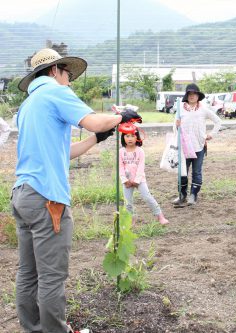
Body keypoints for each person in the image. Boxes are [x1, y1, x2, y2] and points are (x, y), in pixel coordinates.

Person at [11, 48, 138, 333]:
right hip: (47, 198)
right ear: (55, 71)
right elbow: (93, 119)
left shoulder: (28, 105)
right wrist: (121, 117)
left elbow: (61, 152)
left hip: (23, 194)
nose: (70, 79)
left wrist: (97, 138)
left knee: (28, 274)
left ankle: (33, 329)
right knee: (52, 277)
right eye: (68, 73)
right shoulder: (55, 91)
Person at [172, 83, 221, 206]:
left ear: (198, 95)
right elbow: (174, 128)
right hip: (184, 147)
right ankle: (182, 195)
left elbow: (218, 121)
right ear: (186, 95)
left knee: (197, 172)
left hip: (199, 146)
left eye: (194, 93)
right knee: (182, 172)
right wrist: (177, 126)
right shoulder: (180, 109)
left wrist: (211, 134)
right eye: (190, 93)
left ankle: (193, 195)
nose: (192, 96)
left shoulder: (203, 109)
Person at [119, 126, 169, 224]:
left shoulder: (140, 151)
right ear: (123, 137)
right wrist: (124, 180)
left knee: (147, 197)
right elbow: (120, 167)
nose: (130, 138)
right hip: (127, 182)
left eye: (132, 136)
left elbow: (141, 167)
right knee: (128, 202)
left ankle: (159, 215)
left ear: (137, 137)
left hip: (140, 180)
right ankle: (131, 219)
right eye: (127, 136)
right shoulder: (121, 152)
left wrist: (137, 181)